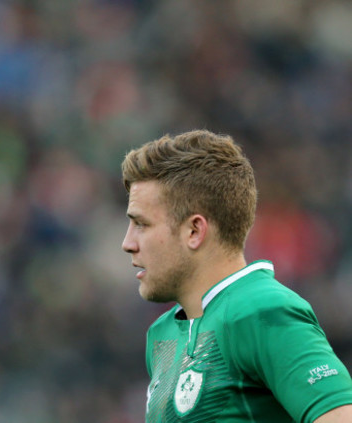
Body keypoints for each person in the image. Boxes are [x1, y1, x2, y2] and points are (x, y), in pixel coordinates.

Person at [121, 129, 352, 422]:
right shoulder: (162, 334)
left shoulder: (262, 311)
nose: (128, 243)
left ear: (194, 231)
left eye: (141, 224)